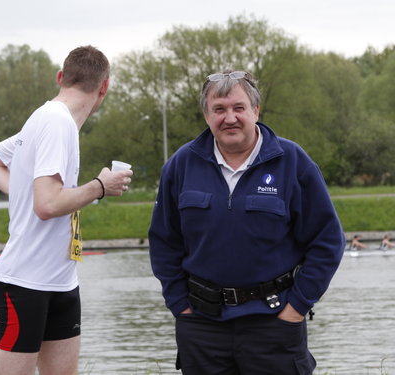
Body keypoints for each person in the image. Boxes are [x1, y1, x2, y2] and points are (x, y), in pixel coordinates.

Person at [148, 70, 345, 374]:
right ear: (206, 115)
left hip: (274, 322)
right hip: (202, 325)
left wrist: (296, 308)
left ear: (255, 110)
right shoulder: (181, 165)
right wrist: (181, 307)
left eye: (239, 108)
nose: (230, 118)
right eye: (219, 109)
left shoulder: (292, 162)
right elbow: (164, 243)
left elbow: (327, 242)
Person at [0, 45, 133, 375]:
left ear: (61, 77)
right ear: (104, 87)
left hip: (62, 283)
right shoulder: (55, 122)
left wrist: (25, 190)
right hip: (23, 284)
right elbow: (47, 204)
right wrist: (100, 187)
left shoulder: (51, 122)